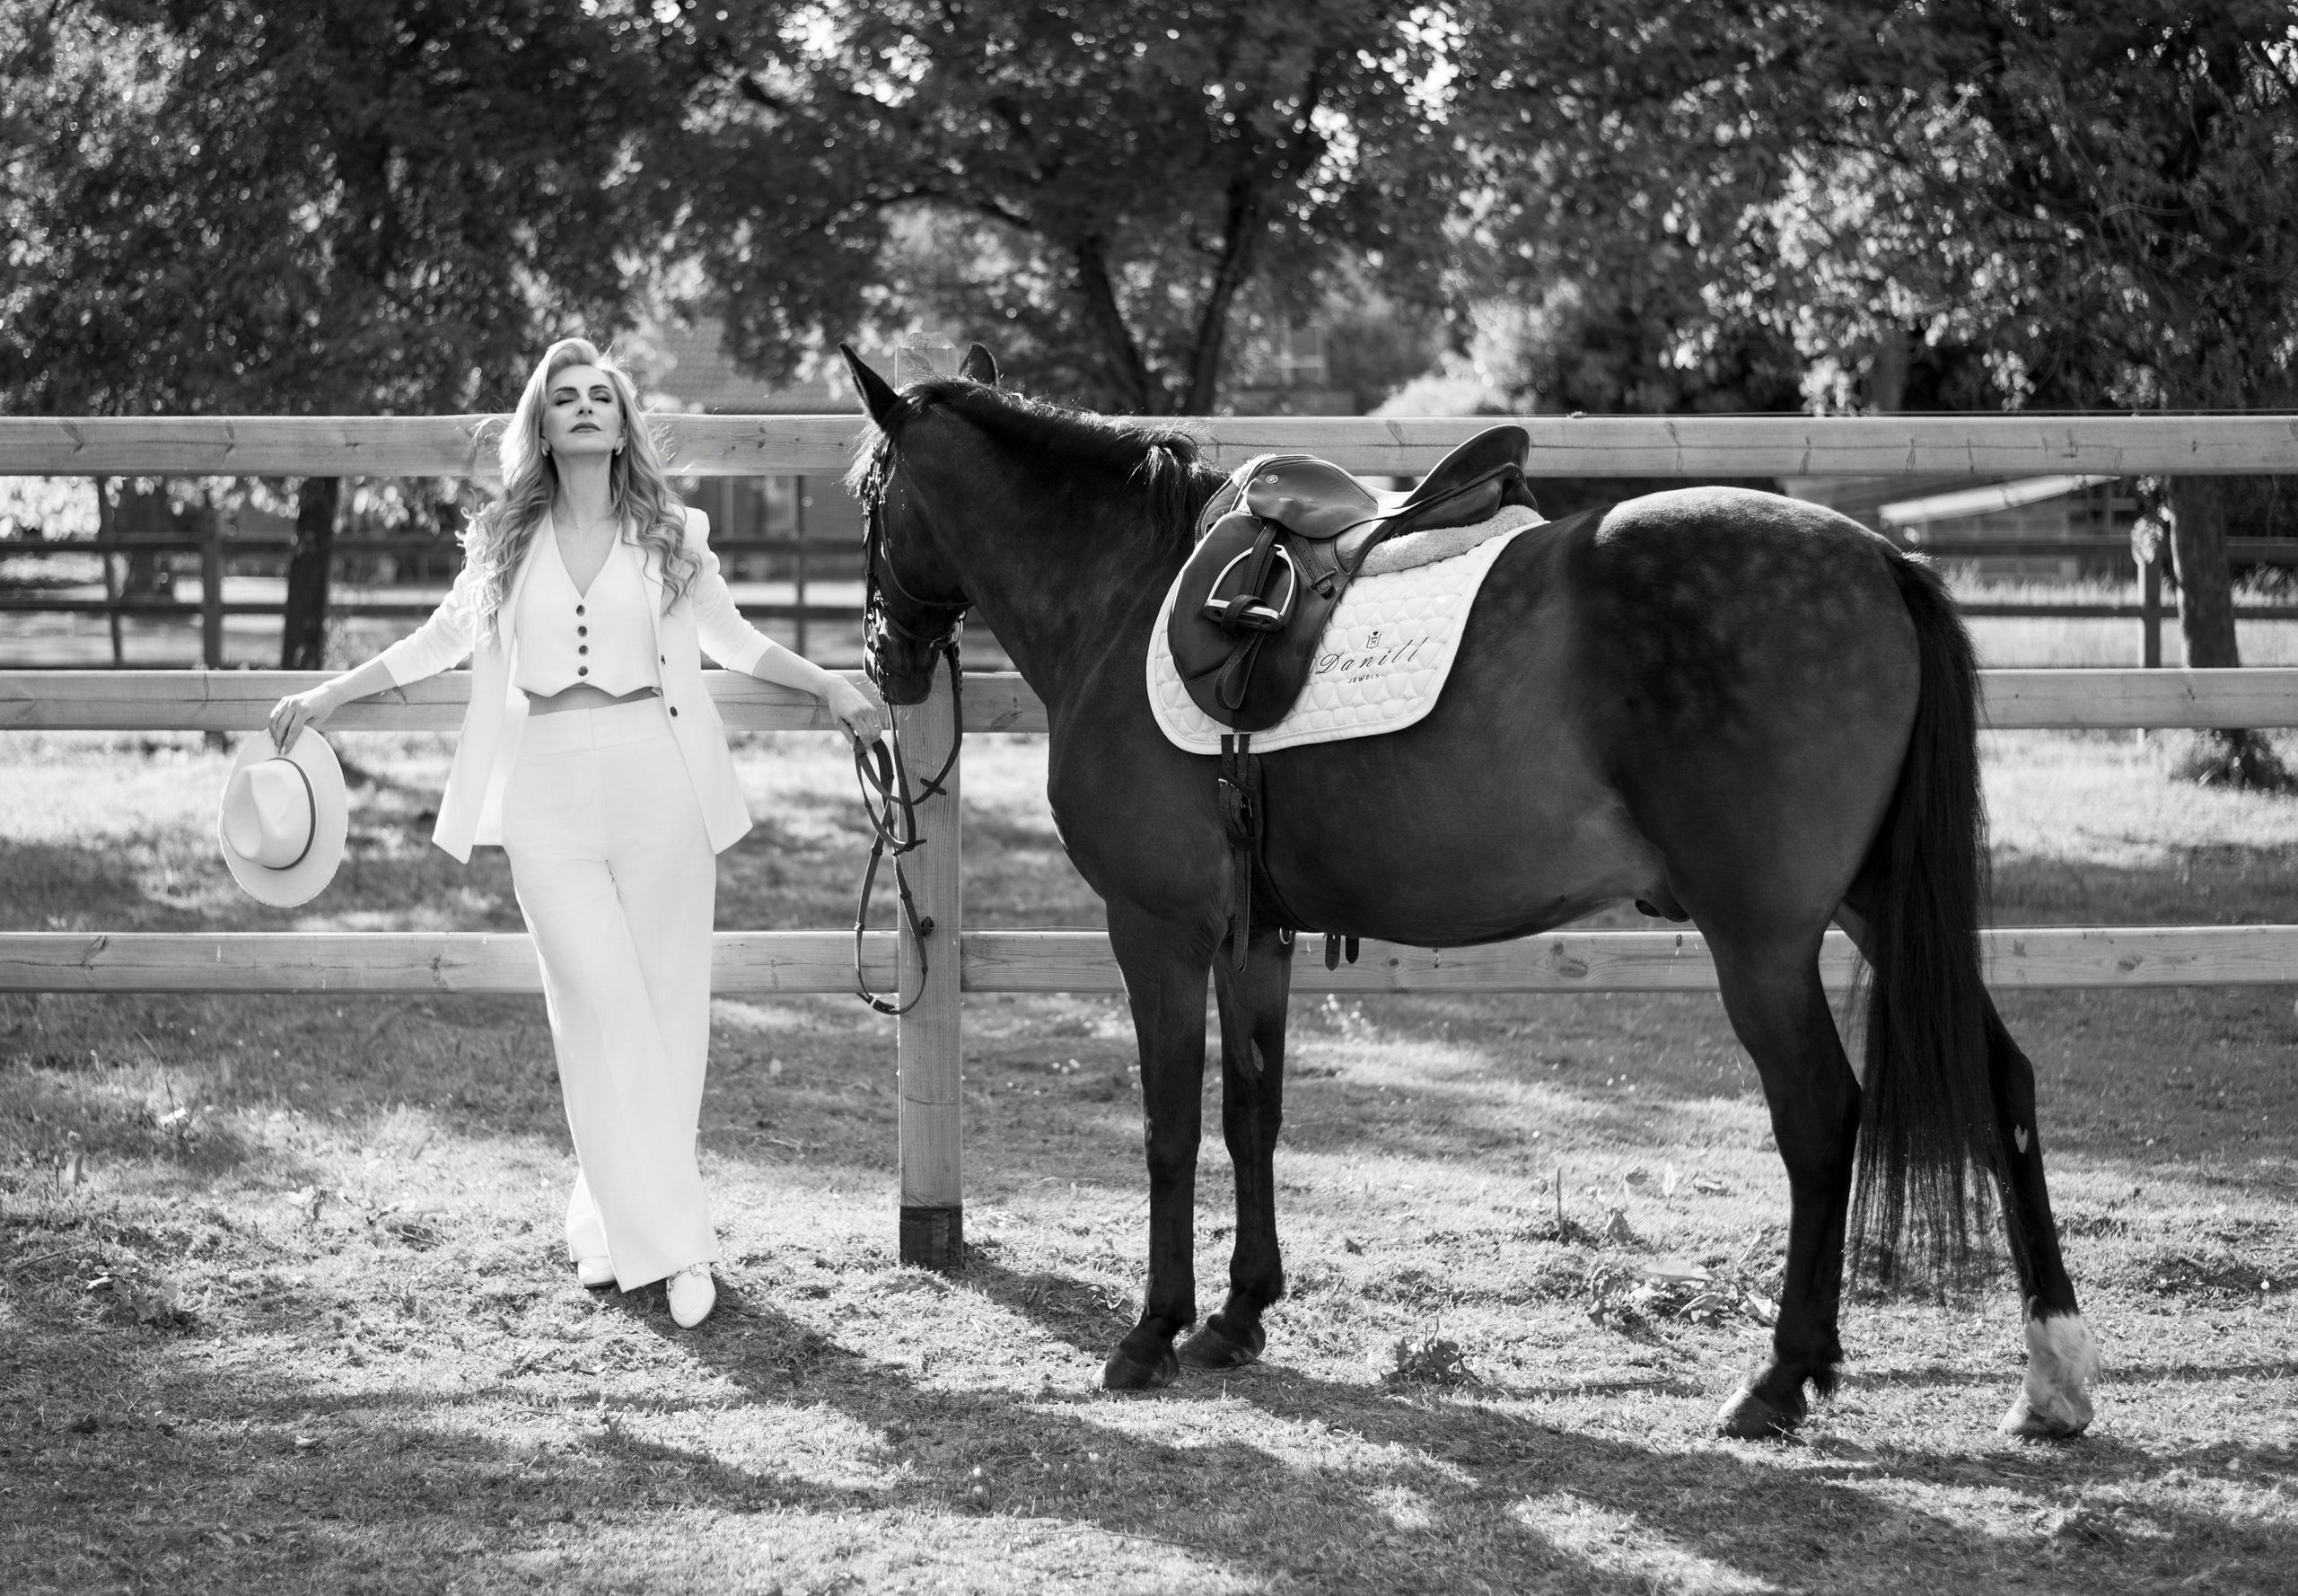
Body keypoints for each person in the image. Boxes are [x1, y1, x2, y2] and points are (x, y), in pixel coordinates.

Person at [268, 337, 881, 1328]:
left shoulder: (673, 533)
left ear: (622, 420)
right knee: (593, 1007)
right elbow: (442, 637)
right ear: (543, 426)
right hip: (546, 787)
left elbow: (730, 637)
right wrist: (333, 693)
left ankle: (611, 1221)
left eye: (603, 394)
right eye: (567, 397)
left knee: (667, 1010)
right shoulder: (506, 538)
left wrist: (827, 686)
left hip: (658, 775)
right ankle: (680, 1243)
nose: (587, 407)